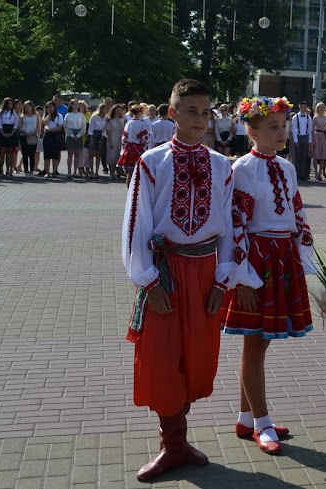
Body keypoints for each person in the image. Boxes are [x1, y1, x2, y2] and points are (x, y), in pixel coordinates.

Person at [123, 79, 243, 481]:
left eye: (206, 112)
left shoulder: (221, 165)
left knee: (196, 356)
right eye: (191, 111)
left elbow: (228, 227)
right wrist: (148, 280)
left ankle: (179, 441)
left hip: (206, 270)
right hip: (166, 272)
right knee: (161, 357)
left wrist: (223, 281)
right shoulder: (151, 163)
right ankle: (171, 444)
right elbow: (135, 225)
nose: (200, 119)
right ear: (172, 113)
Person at [219, 95, 314, 455]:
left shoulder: (287, 168)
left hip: (282, 260)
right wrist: (241, 277)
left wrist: (302, 256)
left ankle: (247, 417)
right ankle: (262, 422)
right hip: (256, 263)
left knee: (260, 342)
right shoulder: (241, 168)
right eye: (273, 127)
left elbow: (296, 213)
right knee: (255, 343)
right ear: (251, 130)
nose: (281, 132)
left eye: (283, 126)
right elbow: (236, 224)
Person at [118, 105, 151, 187]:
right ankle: (136, 191)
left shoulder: (128, 123)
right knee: (138, 172)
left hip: (129, 148)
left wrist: (124, 149)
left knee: (129, 172)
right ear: (140, 112)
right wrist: (146, 149)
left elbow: (124, 138)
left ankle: (129, 189)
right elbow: (145, 139)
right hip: (138, 148)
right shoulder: (142, 124)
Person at [0, 97, 20, 177]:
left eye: (11, 104)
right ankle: (1, 169)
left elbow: (17, 122)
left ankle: (9, 169)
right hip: (3, 131)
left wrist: (12, 132)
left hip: (11, 131)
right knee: (2, 152)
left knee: (10, 152)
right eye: (8, 103)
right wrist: (2, 132)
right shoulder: (0, 112)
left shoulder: (14, 113)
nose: (10, 105)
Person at [64, 101, 88, 179]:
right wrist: (71, 135)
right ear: (71, 105)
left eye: (76, 104)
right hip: (70, 134)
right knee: (70, 153)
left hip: (78, 134)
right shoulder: (68, 115)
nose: (75, 106)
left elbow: (83, 127)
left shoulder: (81, 115)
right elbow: (66, 126)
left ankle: (75, 171)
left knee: (77, 153)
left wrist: (77, 136)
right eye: (73, 104)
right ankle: (69, 171)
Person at [41, 102, 64, 177]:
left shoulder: (59, 116)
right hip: (47, 136)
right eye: (48, 107)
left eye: (51, 107)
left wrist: (50, 130)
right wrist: (49, 115)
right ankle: (47, 172)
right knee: (47, 155)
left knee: (55, 155)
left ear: (54, 107)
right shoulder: (46, 116)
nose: (49, 109)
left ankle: (54, 172)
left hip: (55, 136)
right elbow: (44, 124)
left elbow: (59, 127)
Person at [18, 101, 41, 178]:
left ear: (32, 107)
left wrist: (32, 133)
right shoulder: (22, 116)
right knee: (25, 154)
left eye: (28, 107)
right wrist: (26, 133)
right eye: (25, 107)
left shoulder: (36, 116)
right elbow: (20, 127)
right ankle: (26, 170)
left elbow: (38, 126)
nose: (27, 109)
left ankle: (31, 170)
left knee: (32, 154)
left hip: (33, 136)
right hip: (24, 136)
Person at [311, 103, 326, 182]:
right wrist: (312, 140)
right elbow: (312, 129)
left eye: (323, 107)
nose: (321, 109)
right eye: (320, 107)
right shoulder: (315, 118)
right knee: (316, 155)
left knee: (323, 156)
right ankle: (315, 173)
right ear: (317, 109)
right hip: (317, 135)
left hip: (324, 136)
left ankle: (320, 174)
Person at [105, 105, 126, 179]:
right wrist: (110, 142)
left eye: (120, 111)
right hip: (112, 139)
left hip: (120, 140)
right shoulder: (110, 120)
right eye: (117, 110)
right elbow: (108, 132)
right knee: (111, 157)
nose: (118, 112)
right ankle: (111, 173)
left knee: (118, 157)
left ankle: (118, 173)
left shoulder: (122, 120)